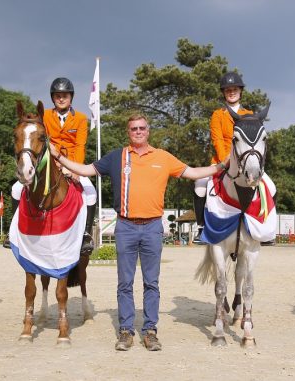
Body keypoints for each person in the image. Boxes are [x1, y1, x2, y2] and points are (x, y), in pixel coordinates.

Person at [50, 113, 227, 351]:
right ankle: (125, 331)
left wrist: (224, 165)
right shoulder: (116, 157)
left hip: (153, 227)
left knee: (151, 283)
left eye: (142, 128)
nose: (138, 131)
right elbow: (84, 170)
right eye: (133, 128)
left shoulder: (163, 157)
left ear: (148, 130)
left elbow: (193, 173)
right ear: (128, 132)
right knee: (125, 282)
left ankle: (150, 331)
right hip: (125, 227)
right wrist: (58, 155)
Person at [8, 77, 97, 254]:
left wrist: (75, 169)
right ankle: (15, 229)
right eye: (57, 96)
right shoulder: (45, 116)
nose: (61, 99)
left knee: (91, 193)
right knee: (16, 189)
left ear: (71, 97)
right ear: (53, 98)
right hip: (49, 161)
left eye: (65, 95)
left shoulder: (80, 118)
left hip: (72, 162)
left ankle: (86, 234)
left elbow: (80, 146)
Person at [193, 72, 253, 243]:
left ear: (240, 91)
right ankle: (201, 228)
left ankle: (264, 228)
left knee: (269, 186)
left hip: (246, 161)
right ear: (224, 93)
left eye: (234, 89)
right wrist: (225, 160)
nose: (231, 92)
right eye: (228, 90)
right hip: (222, 160)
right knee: (199, 185)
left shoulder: (248, 114)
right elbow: (217, 139)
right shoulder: (218, 114)